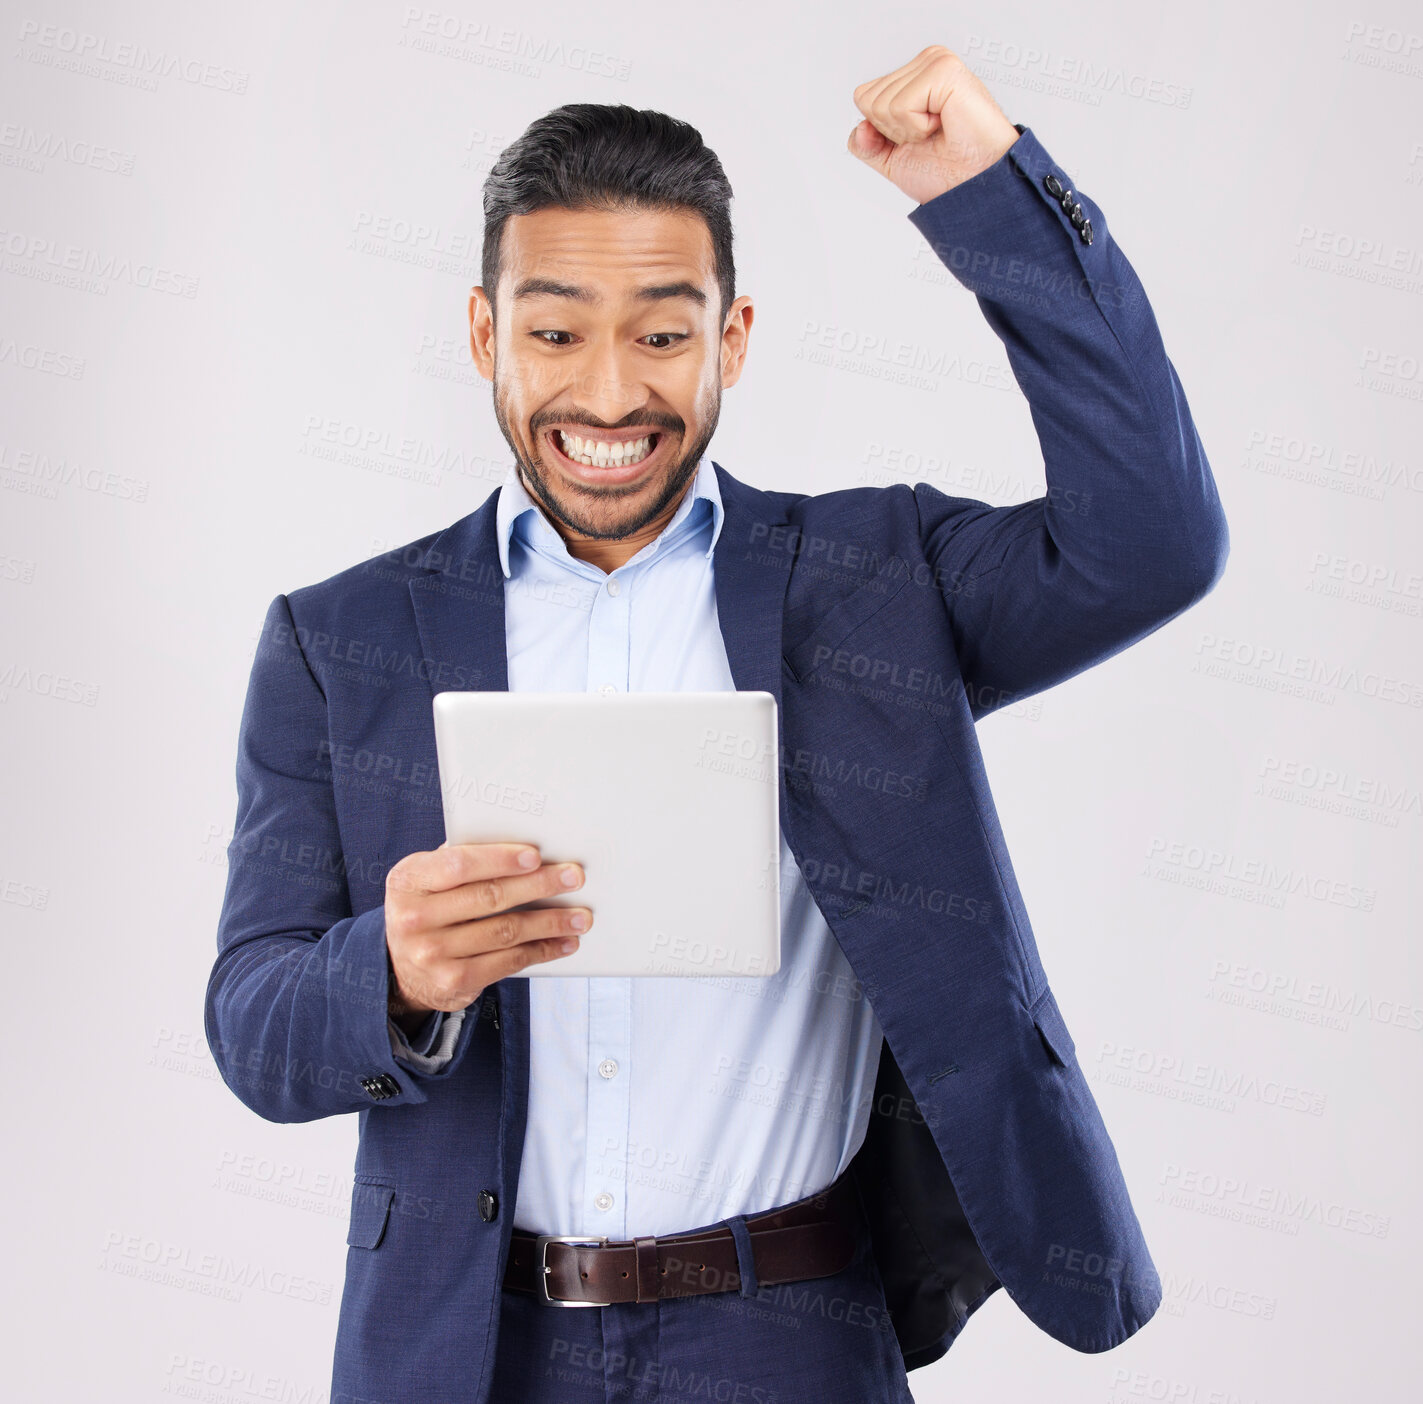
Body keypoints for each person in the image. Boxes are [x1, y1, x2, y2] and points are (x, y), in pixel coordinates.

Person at [206, 44, 1228, 1404]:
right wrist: (389, 970)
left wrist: (990, 191)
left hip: (787, 1330)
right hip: (470, 1348)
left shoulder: (878, 589)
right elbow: (253, 1023)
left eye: (665, 334)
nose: (612, 395)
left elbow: (1153, 541)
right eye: (555, 331)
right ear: (483, 335)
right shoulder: (341, 643)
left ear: (732, 340)